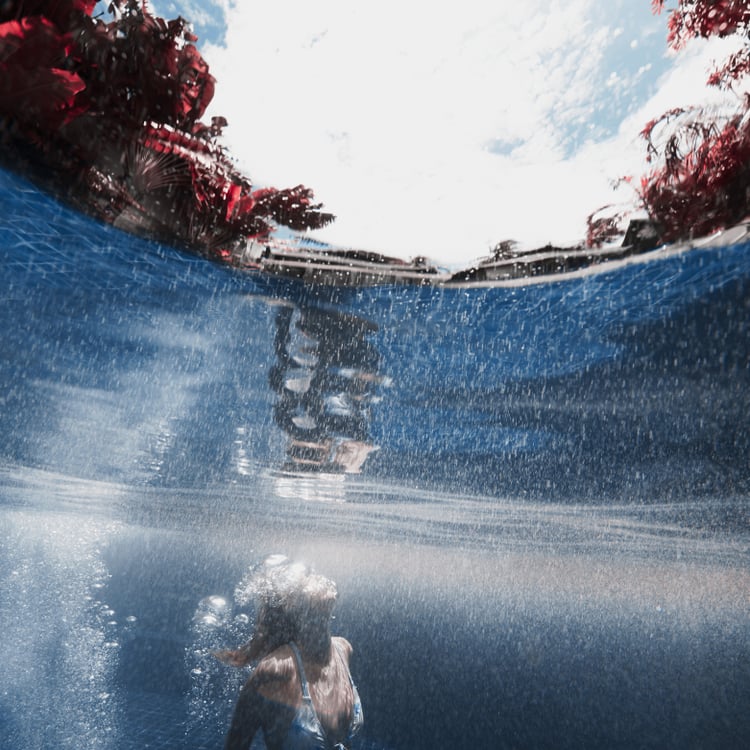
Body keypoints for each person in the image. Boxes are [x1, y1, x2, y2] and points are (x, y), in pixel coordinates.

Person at [218, 556, 363, 750]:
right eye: (306, 578)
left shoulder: (343, 649)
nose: (315, 576)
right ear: (293, 607)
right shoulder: (274, 670)